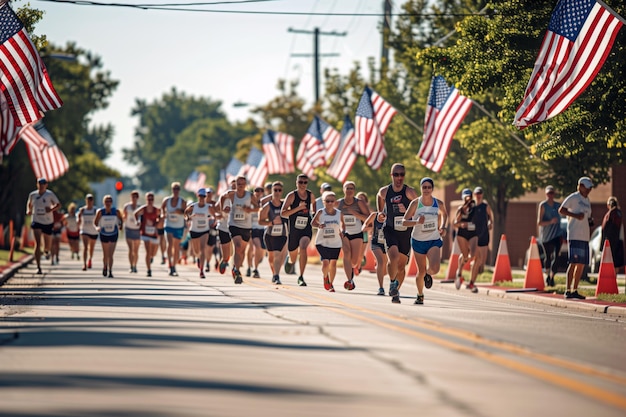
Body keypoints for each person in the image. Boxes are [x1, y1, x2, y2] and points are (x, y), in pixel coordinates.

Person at [376, 163, 418, 304]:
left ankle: (396, 292)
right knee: (392, 257)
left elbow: (419, 208)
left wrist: (407, 210)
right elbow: (379, 196)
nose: (399, 178)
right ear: (391, 175)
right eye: (396, 174)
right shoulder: (385, 191)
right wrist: (380, 212)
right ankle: (392, 282)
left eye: (402, 174)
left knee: (401, 266)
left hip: (405, 232)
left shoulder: (410, 192)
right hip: (390, 229)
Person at [403, 177, 448, 305]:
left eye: (429, 187)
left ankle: (428, 274)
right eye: (424, 187)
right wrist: (416, 222)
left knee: (435, 268)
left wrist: (443, 227)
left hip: (433, 239)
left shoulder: (438, 203)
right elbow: (404, 221)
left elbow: (445, 214)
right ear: (421, 188)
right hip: (418, 241)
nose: (426, 190)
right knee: (420, 271)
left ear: (432, 189)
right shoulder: (416, 203)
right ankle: (420, 294)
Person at [558, 177, 594, 300]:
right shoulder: (574, 197)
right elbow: (561, 210)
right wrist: (575, 216)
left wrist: (589, 220)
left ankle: (575, 290)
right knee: (573, 262)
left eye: (590, 188)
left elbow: (587, 216)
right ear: (580, 186)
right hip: (574, 235)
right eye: (587, 187)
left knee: (581, 264)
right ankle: (567, 290)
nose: (589, 190)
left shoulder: (587, 200)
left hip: (585, 236)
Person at [221, 175, 258, 284]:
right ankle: (237, 272)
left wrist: (250, 210)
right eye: (238, 184)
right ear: (235, 185)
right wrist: (223, 208)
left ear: (246, 185)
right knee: (237, 247)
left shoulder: (250, 196)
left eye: (242, 184)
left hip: (246, 226)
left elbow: (258, 207)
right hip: (234, 224)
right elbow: (222, 198)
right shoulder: (231, 194)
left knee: (241, 251)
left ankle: (235, 267)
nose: (240, 186)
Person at [281, 174, 317, 286]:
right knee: (293, 256)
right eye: (300, 182)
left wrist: (314, 214)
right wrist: (298, 208)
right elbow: (283, 213)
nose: (302, 185)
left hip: (306, 229)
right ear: (296, 183)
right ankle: (290, 260)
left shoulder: (310, 195)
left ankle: (301, 276)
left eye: (305, 182)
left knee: (303, 247)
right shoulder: (291, 196)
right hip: (293, 230)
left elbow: (314, 204)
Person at [337, 181, 370, 289]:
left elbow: (368, 218)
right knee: (346, 253)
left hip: (357, 233)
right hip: (344, 232)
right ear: (343, 190)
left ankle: (352, 269)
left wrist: (356, 214)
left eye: (351, 188)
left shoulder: (359, 203)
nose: (349, 190)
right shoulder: (338, 203)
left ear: (354, 191)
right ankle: (349, 280)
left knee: (355, 261)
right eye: (347, 188)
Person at [26, 178, 61, 274]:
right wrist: (28, 210)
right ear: (37, 184)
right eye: (39, 183)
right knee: (37, 244)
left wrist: (51, 209)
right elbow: (29, 204)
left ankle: (46, 251)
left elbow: (58, 204)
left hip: (47, 222)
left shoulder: (50, 194)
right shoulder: (33, 195)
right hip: (36, 220)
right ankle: (38, 267)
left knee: (47, 246)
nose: (41, 185)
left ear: (46, 185)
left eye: (43, 184)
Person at [312, 191, 345, 292]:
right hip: (322, 241)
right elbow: (313, 222)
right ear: (323, 202)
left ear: (335, 202)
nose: (330, 203)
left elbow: (343, 224)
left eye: (332, 201)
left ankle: (331, 283)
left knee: (333, 263)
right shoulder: (321, 212)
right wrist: (319, 225)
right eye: (327, 201)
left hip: (335, 242)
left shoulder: (339, 213)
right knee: (326, 263)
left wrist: (342, 231)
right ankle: (325, 277)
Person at [259, 181, 288, 284]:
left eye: (279, 190)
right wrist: (271, 222)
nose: (277, 192)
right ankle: (274, 274)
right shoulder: (268, 206)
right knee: (271, 257)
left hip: (282, 235)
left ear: (282, 192)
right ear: (272, 191)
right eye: (275, 190)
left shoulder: (285, 205)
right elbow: (260, 221)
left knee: (278, 255)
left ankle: (276, 275)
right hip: (269, 235)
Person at [466, 187, 493, 293]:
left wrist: (490, 223)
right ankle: (471, 282)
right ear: (474, 194)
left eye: (480, 193)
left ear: (482, 194)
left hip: (484, 235)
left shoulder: (486, 206)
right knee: (477, 259)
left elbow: (490, 218)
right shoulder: (471, 207)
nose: (478, 195)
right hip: (474, 237)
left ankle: (473, 270)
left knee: (481, 261)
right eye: (476, 193)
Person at [184, 188, 214, 279]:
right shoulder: (194, 206)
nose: (202, 198)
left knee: (203, 248)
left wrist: (213, 219)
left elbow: (214, 214)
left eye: (203, 196)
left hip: (204, 230)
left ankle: (201, 270)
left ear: (205, 197)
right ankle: (198, 258)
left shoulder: (208, 207)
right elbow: (185, 213)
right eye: (200, 196)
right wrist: (188, 217)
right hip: (194, 230)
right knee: (197, 251)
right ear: (197, 196)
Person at [537, 185, 563, 287]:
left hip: (557, 234)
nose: (550, 195)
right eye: (548, 193)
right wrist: (550, 222)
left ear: (554, 194)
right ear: (546, 194)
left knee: (556, 257)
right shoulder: (543, 205)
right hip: (546, 236)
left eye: (552, 193)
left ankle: (552, 277)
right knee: (548, 257)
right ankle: (547, 275)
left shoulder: (558, 205)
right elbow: (539, 222)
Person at [161, 182, 187, 276]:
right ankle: (169, 264)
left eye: (177, 189)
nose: (176, 191)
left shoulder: (182, 201)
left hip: (179, 226)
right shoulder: (167, 200)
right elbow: (162, 209)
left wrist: (179, 211)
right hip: (168, 225)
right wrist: (163, 214)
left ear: (179, 190)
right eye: (174, 189)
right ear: (172, 190)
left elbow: (185, 213)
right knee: (170, 243)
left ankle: (174, 266)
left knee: (176, 247)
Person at [94, 194, 123, 278]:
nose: (108, 203)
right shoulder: (100, 212)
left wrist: (120, 226)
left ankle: (110, 271)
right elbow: (95, 222)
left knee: (111, 254)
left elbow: (121, 220)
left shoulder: (116, 211)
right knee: (105, 253)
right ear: (104, 202)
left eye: (110, 201)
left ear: (112, 202)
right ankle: (105, 266)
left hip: (113, 233)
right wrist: (97, 227)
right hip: (104, 233)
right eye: (106, 201)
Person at [453, 188, 477, 289]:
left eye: (469, 197)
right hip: (462, 234)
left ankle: (471, 279)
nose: (467, 199)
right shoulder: (461, 208)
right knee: (466, 256)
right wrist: (463, 224)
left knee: (474, 254)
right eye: (465, 197)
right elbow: (455, 223)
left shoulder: (475, 208)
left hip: (473, 233)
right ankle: (459, 272)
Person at [134, 192, 161, 277]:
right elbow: (135, 214)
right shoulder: (144, 209)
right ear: (146, 200)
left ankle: (151, 257)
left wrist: (158, 223)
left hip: (153, 233)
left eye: (151, 199)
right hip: (145, 233)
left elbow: (161, 216)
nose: (150, 201)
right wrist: (138, 221)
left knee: (153, 253)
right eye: (148, 199)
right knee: (148, 252)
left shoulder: (156, 210)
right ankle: (149, 270)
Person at [362, 210, 388, 296]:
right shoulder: (374, 215)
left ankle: (380, 270)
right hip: (376, 243)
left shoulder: (392, 214)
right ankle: (381, 288)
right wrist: (369, 228)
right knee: (381, 262)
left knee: (386, 268)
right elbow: (363, 227)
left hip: (388, 244)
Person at [246, 186, 266, 278]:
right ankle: (252, 268)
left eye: (261, 191)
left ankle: (254, 264)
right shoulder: (249, 203)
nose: (258, 193)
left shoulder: (264, 204)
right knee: (252, 247)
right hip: (251, 228)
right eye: (256, 191)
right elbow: (247, 210)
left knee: (261, 250)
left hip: (262, 229)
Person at [601, 196, 624, 274]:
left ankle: (611, 278)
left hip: (611, 242)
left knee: (611, 261)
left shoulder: (611, 213)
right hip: (618, 240)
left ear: (608, 205)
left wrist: (603, 243)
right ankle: (614, 278)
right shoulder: (619, 213)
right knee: (616, 262)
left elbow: (607, 229)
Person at [78, 193, 98, 271]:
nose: (89, 201)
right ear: (85, 200)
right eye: (88, 200)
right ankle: (84, 264)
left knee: (91, 248)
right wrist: (78, 219)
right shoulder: (82, 210)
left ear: (93, 201)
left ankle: (90, 259)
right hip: (84, 230)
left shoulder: (95, 210)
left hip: (93, 231)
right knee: (85, 247)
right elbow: (78, 220)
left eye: (91, 200)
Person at [123, 190, 142, 273]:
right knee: (131, 249)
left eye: (135, 196)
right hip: (129, 229)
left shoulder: (140, 207)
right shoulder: (127, 206)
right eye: (132, 196)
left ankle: (135, 265)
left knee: (136, 250)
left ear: (137, 198)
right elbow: (124, 217)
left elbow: (142, 217)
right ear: (130, 197)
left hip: (137, 230)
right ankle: (131, 266)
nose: (134, 198)